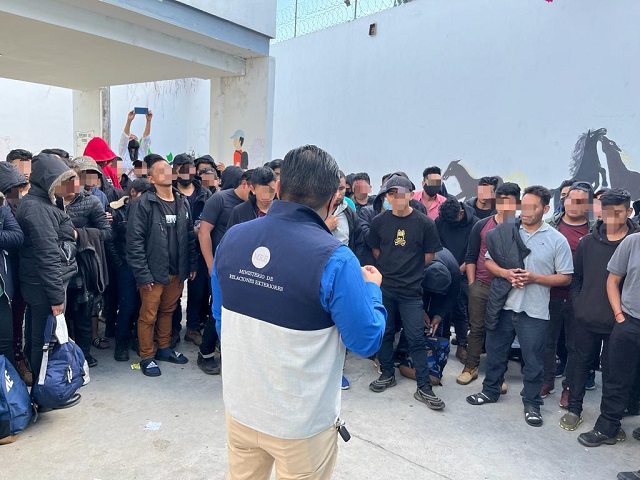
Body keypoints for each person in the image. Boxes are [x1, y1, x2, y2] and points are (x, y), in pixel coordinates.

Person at [212, 144, 386, 479]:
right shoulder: (336, 258)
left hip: (241, 407)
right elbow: (366, 340)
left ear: (278, 187)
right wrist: (372, 290)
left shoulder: (232, 239)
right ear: (333, 199)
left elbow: (222, 319)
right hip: (300, 423)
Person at [466, 186, 573, 428]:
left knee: (533, 360)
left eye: (531, 207)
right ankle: (490, 390)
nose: (524, 211)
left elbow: (566, 277)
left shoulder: (556, 240)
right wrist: (505, 273)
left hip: (535, 310)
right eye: (522, 206)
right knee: (495, 352)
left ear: (545, 209)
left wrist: (535, 278)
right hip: (503, 305)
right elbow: (489, 262)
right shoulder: (506, 231)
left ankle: (532, 403)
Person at [558, 189, 639, 432]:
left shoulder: (634, 243)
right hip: (586, 316)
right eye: (607, 212)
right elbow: (577, 278)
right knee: (579, 363)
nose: (611, 218)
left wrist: (621, 317)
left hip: (621, 322)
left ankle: (610, 419)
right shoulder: (588, 242)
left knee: (615, 372)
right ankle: (574, 409)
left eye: (618, 212)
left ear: (629, 211)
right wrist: (578, 304)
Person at [367, 175, 445, 410]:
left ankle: (424, 386)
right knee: (385, 332)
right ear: (387, 197)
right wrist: (391, 267)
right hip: (386, 287)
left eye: (401, 194)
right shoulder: (379, 221)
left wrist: (409, 269)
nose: (396, 198)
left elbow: (429, 255)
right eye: (391, 194)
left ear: (411, 195)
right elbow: (376, 249)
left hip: (411, 290)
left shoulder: (425, 223)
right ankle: (387, 373)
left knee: (416, 337)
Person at [15, 153, 81, 409]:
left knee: (38, 337)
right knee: (44, 341)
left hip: (42, 282)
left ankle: (41, 392)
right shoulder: (38, 209)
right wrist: (55, 297)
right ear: (48, 181)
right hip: (44, 286)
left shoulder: (44, 203)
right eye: (62, 181)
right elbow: (47, 255)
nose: (68, 186)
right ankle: (42, 397)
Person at [127, 157, 197, 377]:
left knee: (168, 310)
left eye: (169, 169)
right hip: (153, 272)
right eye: (161, 170)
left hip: (177, 270)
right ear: (151, 178)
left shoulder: (182, 201)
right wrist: (142, 274)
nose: (167, 173)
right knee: (148, 315)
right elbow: (134, 241)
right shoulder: (143, 203)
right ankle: (147, 356)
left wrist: (191, 263)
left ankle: (164, 348)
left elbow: (189, 236)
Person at [577, 223, 640, 447]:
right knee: (616, 378)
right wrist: (619, 315)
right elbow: (613, 279)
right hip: (630, 321)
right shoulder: (633, 242)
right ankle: (607, 427)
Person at [457, 182, 521, 385]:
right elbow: (471, 255)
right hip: (482, 285)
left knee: (501, 332)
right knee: (476, 328)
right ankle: (470, 367)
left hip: (509, 288)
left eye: (509, 201)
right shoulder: (482, 225)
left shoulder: (521, 227)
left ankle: (498, 376)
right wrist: (472, 284)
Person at [543, 182, 595, 404]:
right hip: (549, 294)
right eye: (571, 200)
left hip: (580, 297)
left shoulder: (596, 230)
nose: (574, 205)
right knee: (547, 341)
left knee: (575, 346)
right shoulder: (549, 226)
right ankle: (546, 380)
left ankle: (569, 387)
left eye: (580, 201)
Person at [196, 167, 251, 374]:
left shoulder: (254, 205)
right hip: (221, 266)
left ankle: (228, 350)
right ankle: (206, 354)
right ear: (245, 184)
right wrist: (211, 264)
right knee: (218, 310)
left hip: (244, 269)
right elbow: (204, 232)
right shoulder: (220, 199)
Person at [64, 157, 114, 368]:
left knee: (83, 314)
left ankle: (84, 355)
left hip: (83, 266)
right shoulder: (49, 202)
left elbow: (107, 232)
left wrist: (79, 234)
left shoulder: (91, 201)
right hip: (55, 267)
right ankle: (63, 357)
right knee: (60, 316)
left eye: (74, 179)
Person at [171, 153, 212, 347]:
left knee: (197, 292)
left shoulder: (205, 193)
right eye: (182, 169)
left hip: (201, 248)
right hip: (176, 248)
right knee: (174, 293)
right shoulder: (169, 191)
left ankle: (193, 328)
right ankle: (173, 330)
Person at [108, 178, 149, 361]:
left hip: (144, 265)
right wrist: (119, 263)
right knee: (126, 305)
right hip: (125, 264)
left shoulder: (149, 210)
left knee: (143, 305)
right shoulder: (117, 211)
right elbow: (110, 240)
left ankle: (136, 338)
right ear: (133, 193)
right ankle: (121, 342)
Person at [435, 198, 479, 363]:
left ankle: (462, 344)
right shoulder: (440, 221)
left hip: (463, 270)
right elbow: (436, 244)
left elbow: (474, 251)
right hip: (442, 269)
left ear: (461, 213)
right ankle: (443, 341)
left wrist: (459, 269)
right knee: (441, 307)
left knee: (460, 310)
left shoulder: (475, 224)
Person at [0, 162, 31, 384]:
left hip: (12, 274)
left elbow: (17, 236)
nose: (18, 194)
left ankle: (14, 370)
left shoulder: (7, 206)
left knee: (12, 327)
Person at [0, 178, 24, 370]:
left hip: (2, 289)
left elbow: (17, 236)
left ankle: (10, 383)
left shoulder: (2, 206)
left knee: (5, 340)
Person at [323, 170, 364, 261]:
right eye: (334, 189)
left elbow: (359, 243)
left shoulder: (350, 214)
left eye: (341, 188)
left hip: (344, 264)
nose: (338, 194)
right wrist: (325, 227)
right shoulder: (316, 210)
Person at [119, 109, 152, 189]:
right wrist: (129, 121)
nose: (133, 139)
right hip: (126, 186)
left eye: (135, 138)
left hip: (141, 185)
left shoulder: (141, 153)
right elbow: (124, 137)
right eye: (131, 138)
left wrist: (148, 121)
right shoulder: (124, 152)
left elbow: (146, 139)